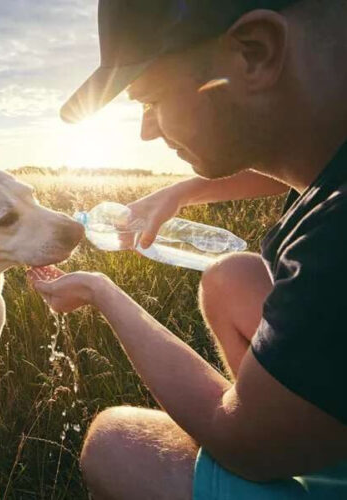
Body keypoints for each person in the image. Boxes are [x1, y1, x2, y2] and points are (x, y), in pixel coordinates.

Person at [28, 0, 347, 498]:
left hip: (264, 445)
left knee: (114, 443)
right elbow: (292, 155)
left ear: (254, 53)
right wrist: (182, 191)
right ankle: (293, 419)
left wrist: (102, 292)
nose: (146, 130)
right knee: (230, 277)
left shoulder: (336, 239)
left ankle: (290, 430)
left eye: (150, 101)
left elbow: (246, 444)